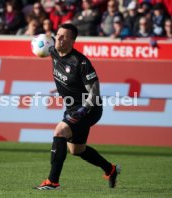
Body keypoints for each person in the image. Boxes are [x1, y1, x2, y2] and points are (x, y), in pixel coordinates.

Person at [34, 23, 121, 190]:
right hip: (72, 108)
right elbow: (43, 42)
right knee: (76, 150)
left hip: (90, 108)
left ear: (72, 40)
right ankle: (110, 169)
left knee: (60, 132)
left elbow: (94, 91)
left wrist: (84, 109)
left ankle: (52, 182)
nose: (59, 38)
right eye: (58, 34)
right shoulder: (53, 51)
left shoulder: (81, 62)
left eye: (64, 36)